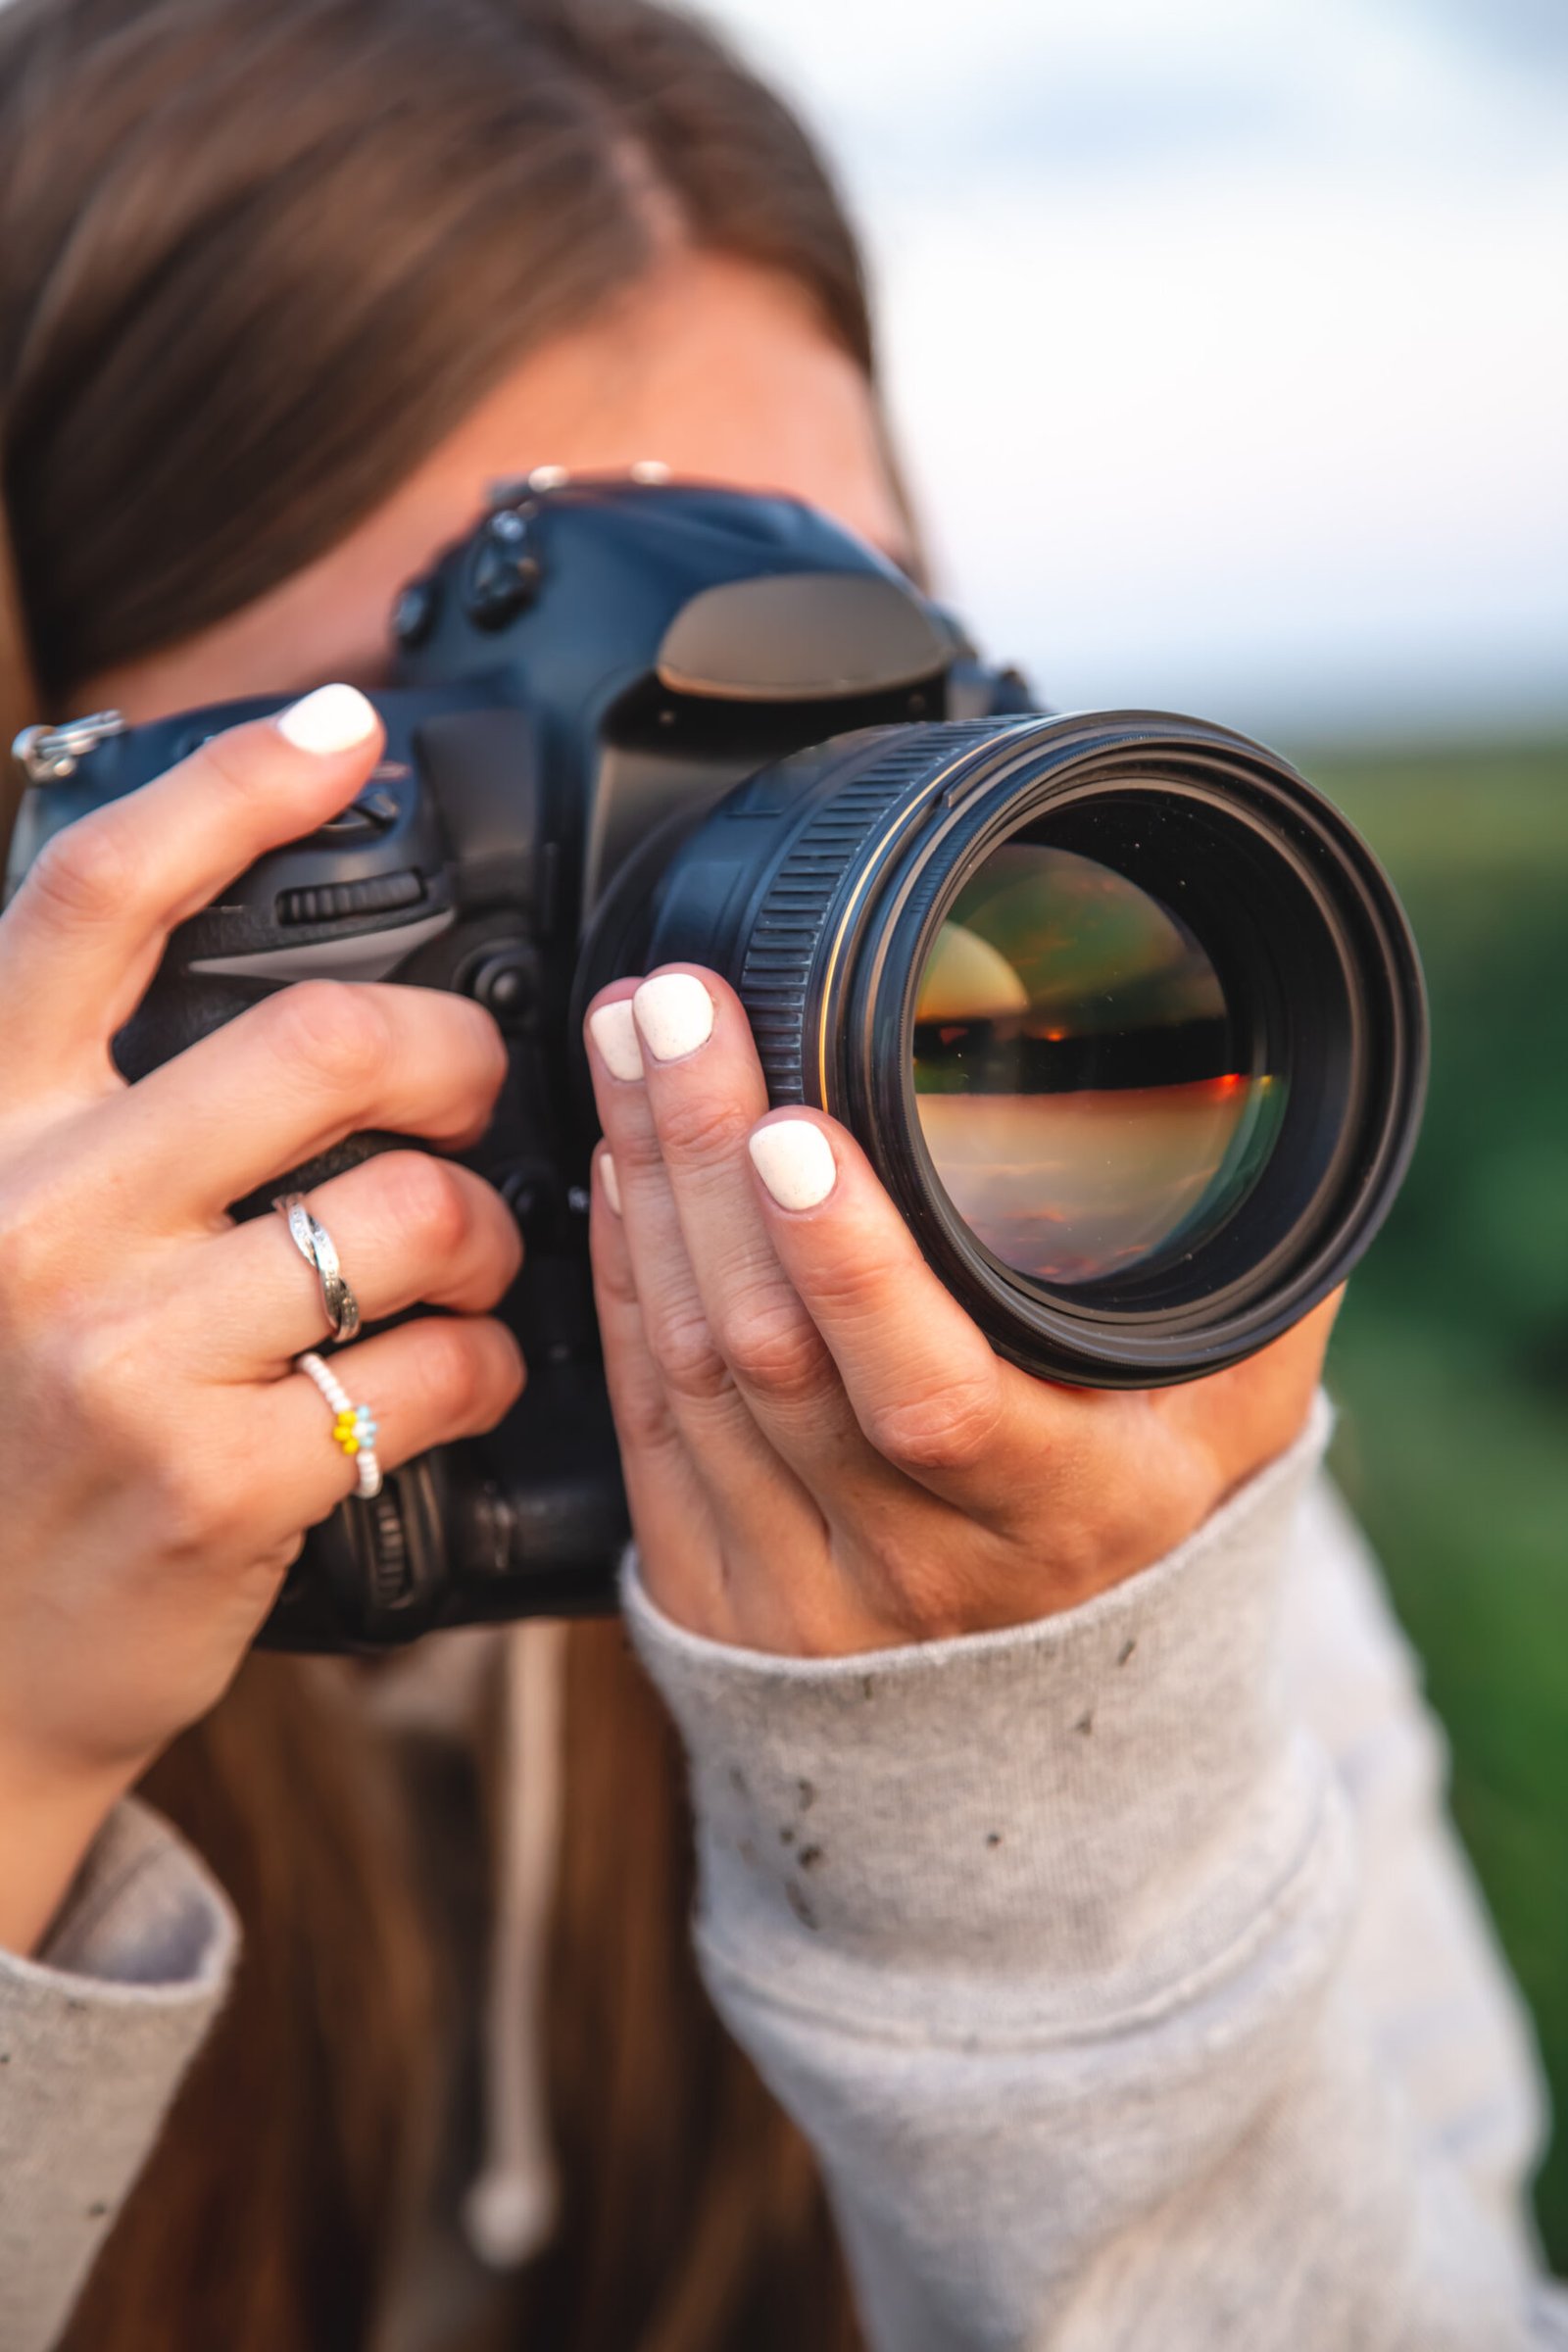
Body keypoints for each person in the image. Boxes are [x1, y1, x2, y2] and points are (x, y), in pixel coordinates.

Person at [0, 2, 1558, 2347]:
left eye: (838, 702)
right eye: (440, 776)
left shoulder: (1055, 1423)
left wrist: (1041, 1773)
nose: (700, 949)